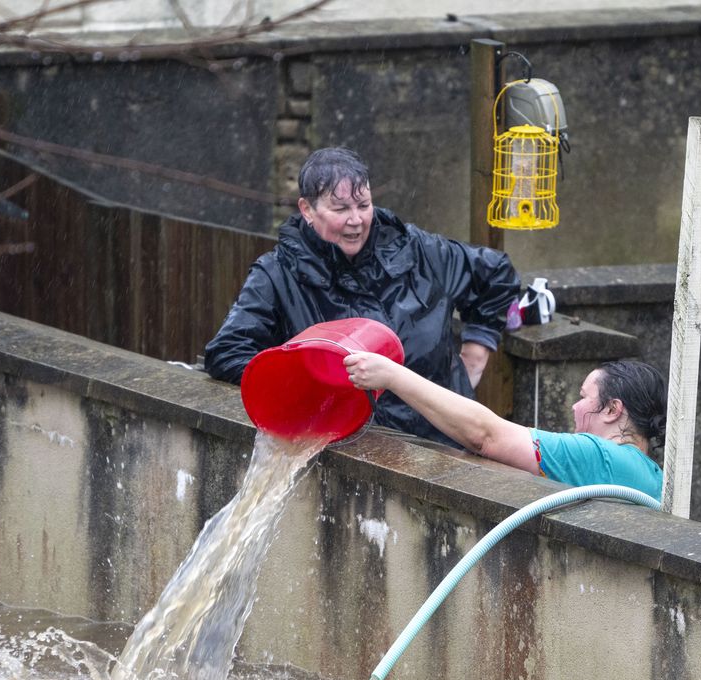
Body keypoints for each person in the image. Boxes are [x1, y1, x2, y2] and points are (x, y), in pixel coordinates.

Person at [204, 147, 520, 445]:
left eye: (363, 205)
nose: (356, 221)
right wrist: (300, 384)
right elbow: (227, 352)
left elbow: (496, 273)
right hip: (353, 456)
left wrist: (477, 350)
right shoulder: (277, 274)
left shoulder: (418, 250)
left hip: (446, 446)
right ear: (307, 210)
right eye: (340, 208)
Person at [343, 354, 667, 500]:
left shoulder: (602, 457)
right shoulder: (650, 473)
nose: (574, 407)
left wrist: (393, 376)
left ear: (612, 409)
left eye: (584, 397)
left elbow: (486, 437)